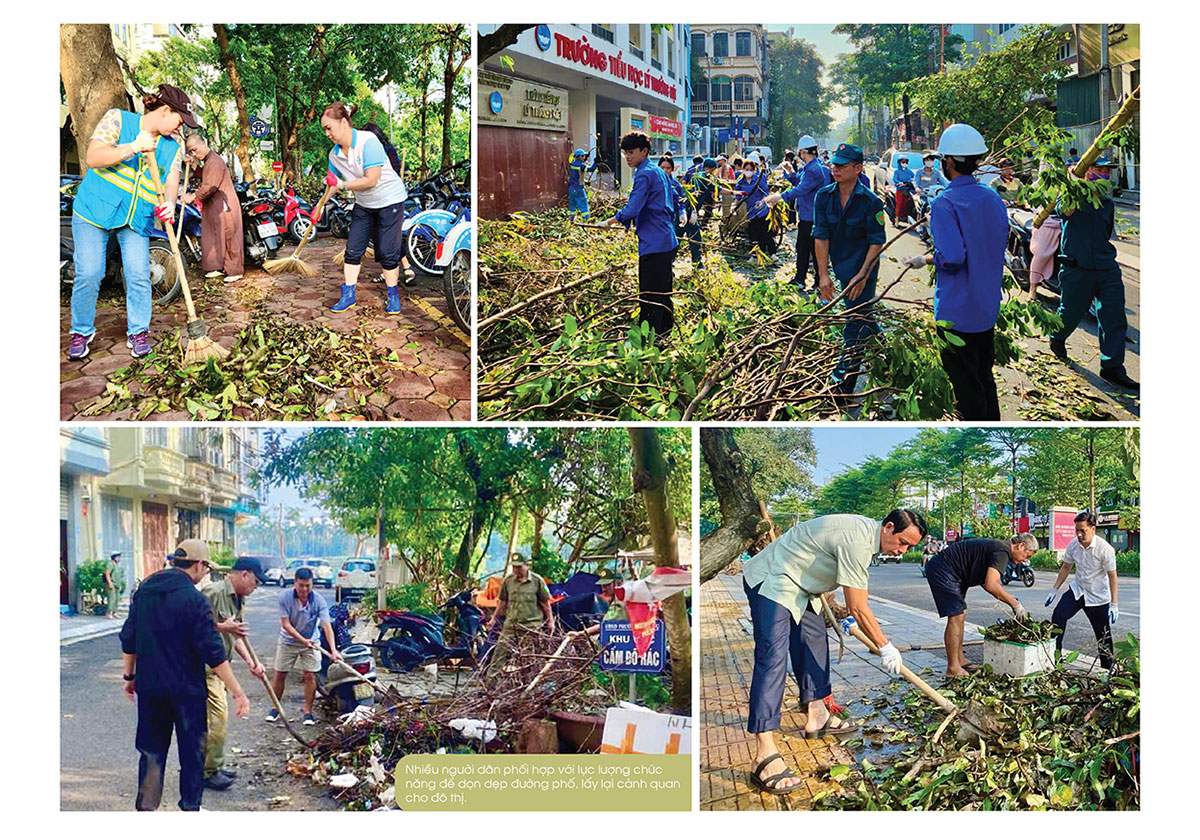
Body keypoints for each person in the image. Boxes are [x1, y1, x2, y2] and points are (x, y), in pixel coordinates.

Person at [742, 510, 928, 794]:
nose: (903, 550)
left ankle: (817, 715)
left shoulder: (868, 538)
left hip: (803, 587)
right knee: (773, 659)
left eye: (910, 548)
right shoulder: (858, 540)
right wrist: (885, 646)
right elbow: (859, 607)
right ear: (888, 527)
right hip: (774, 580)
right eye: (902, 542)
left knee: (815, 642)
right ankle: (763, 754)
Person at [67, 84, 196, 362]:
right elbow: (93, 157)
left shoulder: (173, 146)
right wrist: (133, 147)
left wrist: (170, 204)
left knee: (139, 274)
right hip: (94, 210)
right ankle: (81, 331)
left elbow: (171, 179)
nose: (180, 128)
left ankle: (138, 331)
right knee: (90, 272)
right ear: (165, 111)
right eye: (179, 120)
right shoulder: (118, 119)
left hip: (136, 216)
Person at [119, 540, 250, 811]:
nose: (206, 574)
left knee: (152, 752)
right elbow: (214, 654)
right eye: (206, 568)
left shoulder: (144, 592)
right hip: (186, 693)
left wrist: (129, 677)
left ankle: (147, 807)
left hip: (151, 689)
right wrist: (238, 691)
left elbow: (128, 638)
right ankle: (191, 807)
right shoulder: (195, 600)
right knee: (192, 753)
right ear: (199, 565)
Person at [904, 124, 1009, 420]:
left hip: (956, 313)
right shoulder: (992, 198)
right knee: (983, 378)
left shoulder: (944, 203)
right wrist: (925, 260)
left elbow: (952, 258)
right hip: (986, 307)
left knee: (965, 388)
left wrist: (929, 259)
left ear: (947, 163)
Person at [1047, 157, 1138, 390]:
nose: (1104, 174)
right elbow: (1064, 210)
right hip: (1077, 268)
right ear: (1086, 171)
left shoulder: (1107, 203)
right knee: (1070, 313)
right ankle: (1057, 337)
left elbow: (1106, 233)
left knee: (1114, 316)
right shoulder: (1071, 197)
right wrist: (1073, 180)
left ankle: (1112, 368)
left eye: (1107, 170)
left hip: (1106, 267)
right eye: (1099, 169)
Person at [812, 143, 886, 395]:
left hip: (864, 269)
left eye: (842, 165)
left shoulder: (871, 202)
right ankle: (886, 352)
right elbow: (820, 237)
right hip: (841, 267)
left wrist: (863, 275)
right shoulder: (823, 196)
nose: (835, 169)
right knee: (864, 315)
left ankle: (842, 385)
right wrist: (823, 274)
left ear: (858, 168)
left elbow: (877, 242)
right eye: (834, 164)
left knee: (853, 322)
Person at [321, 102, 408, 315]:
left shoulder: (368, 141)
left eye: (328, 127)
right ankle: (348, 295)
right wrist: (320, 205)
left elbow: (372, 180)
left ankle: (393, 295)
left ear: (343, 122)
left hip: (390, 200)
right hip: (365, 204)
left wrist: (343, 185)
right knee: (352, 250)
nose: (327, 133)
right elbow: (332, 183)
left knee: (388, 252)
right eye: (324, 129)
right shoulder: (334, 155)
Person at [924, 534, 1038, 677]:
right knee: (956, 615)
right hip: (944, 570)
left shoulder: (1000, 549)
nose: (1025, 560)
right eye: (1027, 555)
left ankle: (960, 659)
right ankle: (953, 668)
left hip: (956, 573)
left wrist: (1008, 600)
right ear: (1021, 545)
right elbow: (991, 585)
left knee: (961, 613)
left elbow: (986, 582)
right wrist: (1015, 604)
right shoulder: (1002, 552)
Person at [201, 557, 267, 791]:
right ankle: (208, 773)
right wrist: (221, 627)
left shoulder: (238, 599)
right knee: (217, 719)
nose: (255, 588)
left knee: (214, 721)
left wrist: (251, 663)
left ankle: (211, 767)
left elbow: (235, 635)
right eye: (256, 582)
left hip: (220, 667)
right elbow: (191, 625)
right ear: (245, 575)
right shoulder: (214, 592)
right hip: (205, 667)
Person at [605, 132, 679, 338]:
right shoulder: (657, 171)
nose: (627, 157)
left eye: (631, 152)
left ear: (643, 151)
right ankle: (665, 335)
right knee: (663, 291)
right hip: (666, 238)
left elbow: (633, 207)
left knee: (649, 296)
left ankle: (648, 342)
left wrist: (611, 221)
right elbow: (671, 199)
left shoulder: (644, 174)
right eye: (624, 153)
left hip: (654, 243)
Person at [1044, 511, 1118, 670]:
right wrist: (1054, 589)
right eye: (1076, 530)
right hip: (1078, 591)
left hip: (1098, 596)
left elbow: (1112, 577)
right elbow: (1066, 567)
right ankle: (1053, 657)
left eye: (1082, 530)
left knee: (1103, 634)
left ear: (1092, 528)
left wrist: (1114, 604)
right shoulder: (1073, 545)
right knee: (1058, 615)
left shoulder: (1105, 549)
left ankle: (1107, 669)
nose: (1078, 534)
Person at [268, 567, 340, 726]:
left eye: (308, 585)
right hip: (288, 641)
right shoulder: (284, 597)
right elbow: (285, 624)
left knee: (310, 676)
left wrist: (333, 650)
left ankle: (307, 712)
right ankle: (275, 708)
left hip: (311, 643)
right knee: (280, 674)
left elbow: (326, 625)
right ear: (295, 583)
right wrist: (302, 640)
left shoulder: (319, 600)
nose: (304, 589)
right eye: (301, 585)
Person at [760, 135, 830, 291]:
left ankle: (817, 282)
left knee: (812, 250)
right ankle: (801, 278)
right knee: (803, 248)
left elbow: (801, 189)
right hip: (807, 216)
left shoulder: (813, 169)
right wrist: (791, 173)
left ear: (803, 152)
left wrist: (779, 197)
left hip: (811, 218)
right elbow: (800, 182)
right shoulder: (810, 167)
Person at [182, 133, 243, 283]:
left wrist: (192, 197)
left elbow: (210, 186)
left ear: (203, 143)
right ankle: (217, 266)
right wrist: (194, 165)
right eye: (191, 151)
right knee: (214, 235)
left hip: (224, 204)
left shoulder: (214, 161)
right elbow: (205, 176)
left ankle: (235, 270)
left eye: (195, 149)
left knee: (229, 235)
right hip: (214, 205)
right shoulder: (209, 161)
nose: (194, 154)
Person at [485, 554, 553, 677]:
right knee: (498, 656)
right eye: (514, 567)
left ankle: (528, 689)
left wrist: (550, 622)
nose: (516, 570)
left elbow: (545, 603)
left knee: (529, 660)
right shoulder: (508, 581)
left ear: (527, 566)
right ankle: (490, 687)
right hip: (511, 626)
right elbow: (503, 602)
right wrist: (494, 618)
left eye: (519, 567)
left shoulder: (537, 581)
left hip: (531, 627)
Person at [659, 156, 701, 267]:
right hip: (659, 219)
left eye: (668, 168)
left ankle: (696, 262)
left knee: (679, 238)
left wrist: (682, 212)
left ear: (672, 169)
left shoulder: (675, 184)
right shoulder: (653, 183)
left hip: (674, 217)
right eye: (662, 167)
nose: (665, 170)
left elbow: (681, 200)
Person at [734, 157, 775, 258]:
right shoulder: (741, 182)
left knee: (766, 232)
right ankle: (755, 255)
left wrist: (762, 201)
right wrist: (734, 205)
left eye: (750, 170)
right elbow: (738, 195)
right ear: (742, 170)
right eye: (746, 169)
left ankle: (772, 253)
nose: (748, 172)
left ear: (754, 170)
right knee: (753, 234)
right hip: (751, 211)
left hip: (762, 210)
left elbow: (766, 192)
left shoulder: (759, 179)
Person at [568, 148, 597, 220]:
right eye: (582, 156)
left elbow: (576, 175)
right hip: (578, 189)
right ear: (578, 156)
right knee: (583, 203)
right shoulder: (581, 165)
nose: (584, 157)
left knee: (573, 205)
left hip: (571, 188)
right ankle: (587, 219)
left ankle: (571, 220)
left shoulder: (572, 164)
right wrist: (596, 162)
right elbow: (591, 169)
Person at [892, 156, 917, 224]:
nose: (904, 164)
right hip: (900, 190)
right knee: (900, 205)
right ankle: (897, 220)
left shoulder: (909, 171)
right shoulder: (896, 171)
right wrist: (899, 183)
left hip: (908, 190)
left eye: (906, 162)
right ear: (899, 163)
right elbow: (895, 179)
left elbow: (915, 178)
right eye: (903, 162)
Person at [104, 552, 124, 619]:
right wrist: (109, 583)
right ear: (114, 557)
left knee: (116, 599)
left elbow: (118, 577)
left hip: (117, 585)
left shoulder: (117, 565)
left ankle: (114, 612)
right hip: (112, 584)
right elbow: (107, 573)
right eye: (118, 557)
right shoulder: (110, 564)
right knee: (112, 599)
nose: (119, 558)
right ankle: (109, 613)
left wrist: (120, 585)